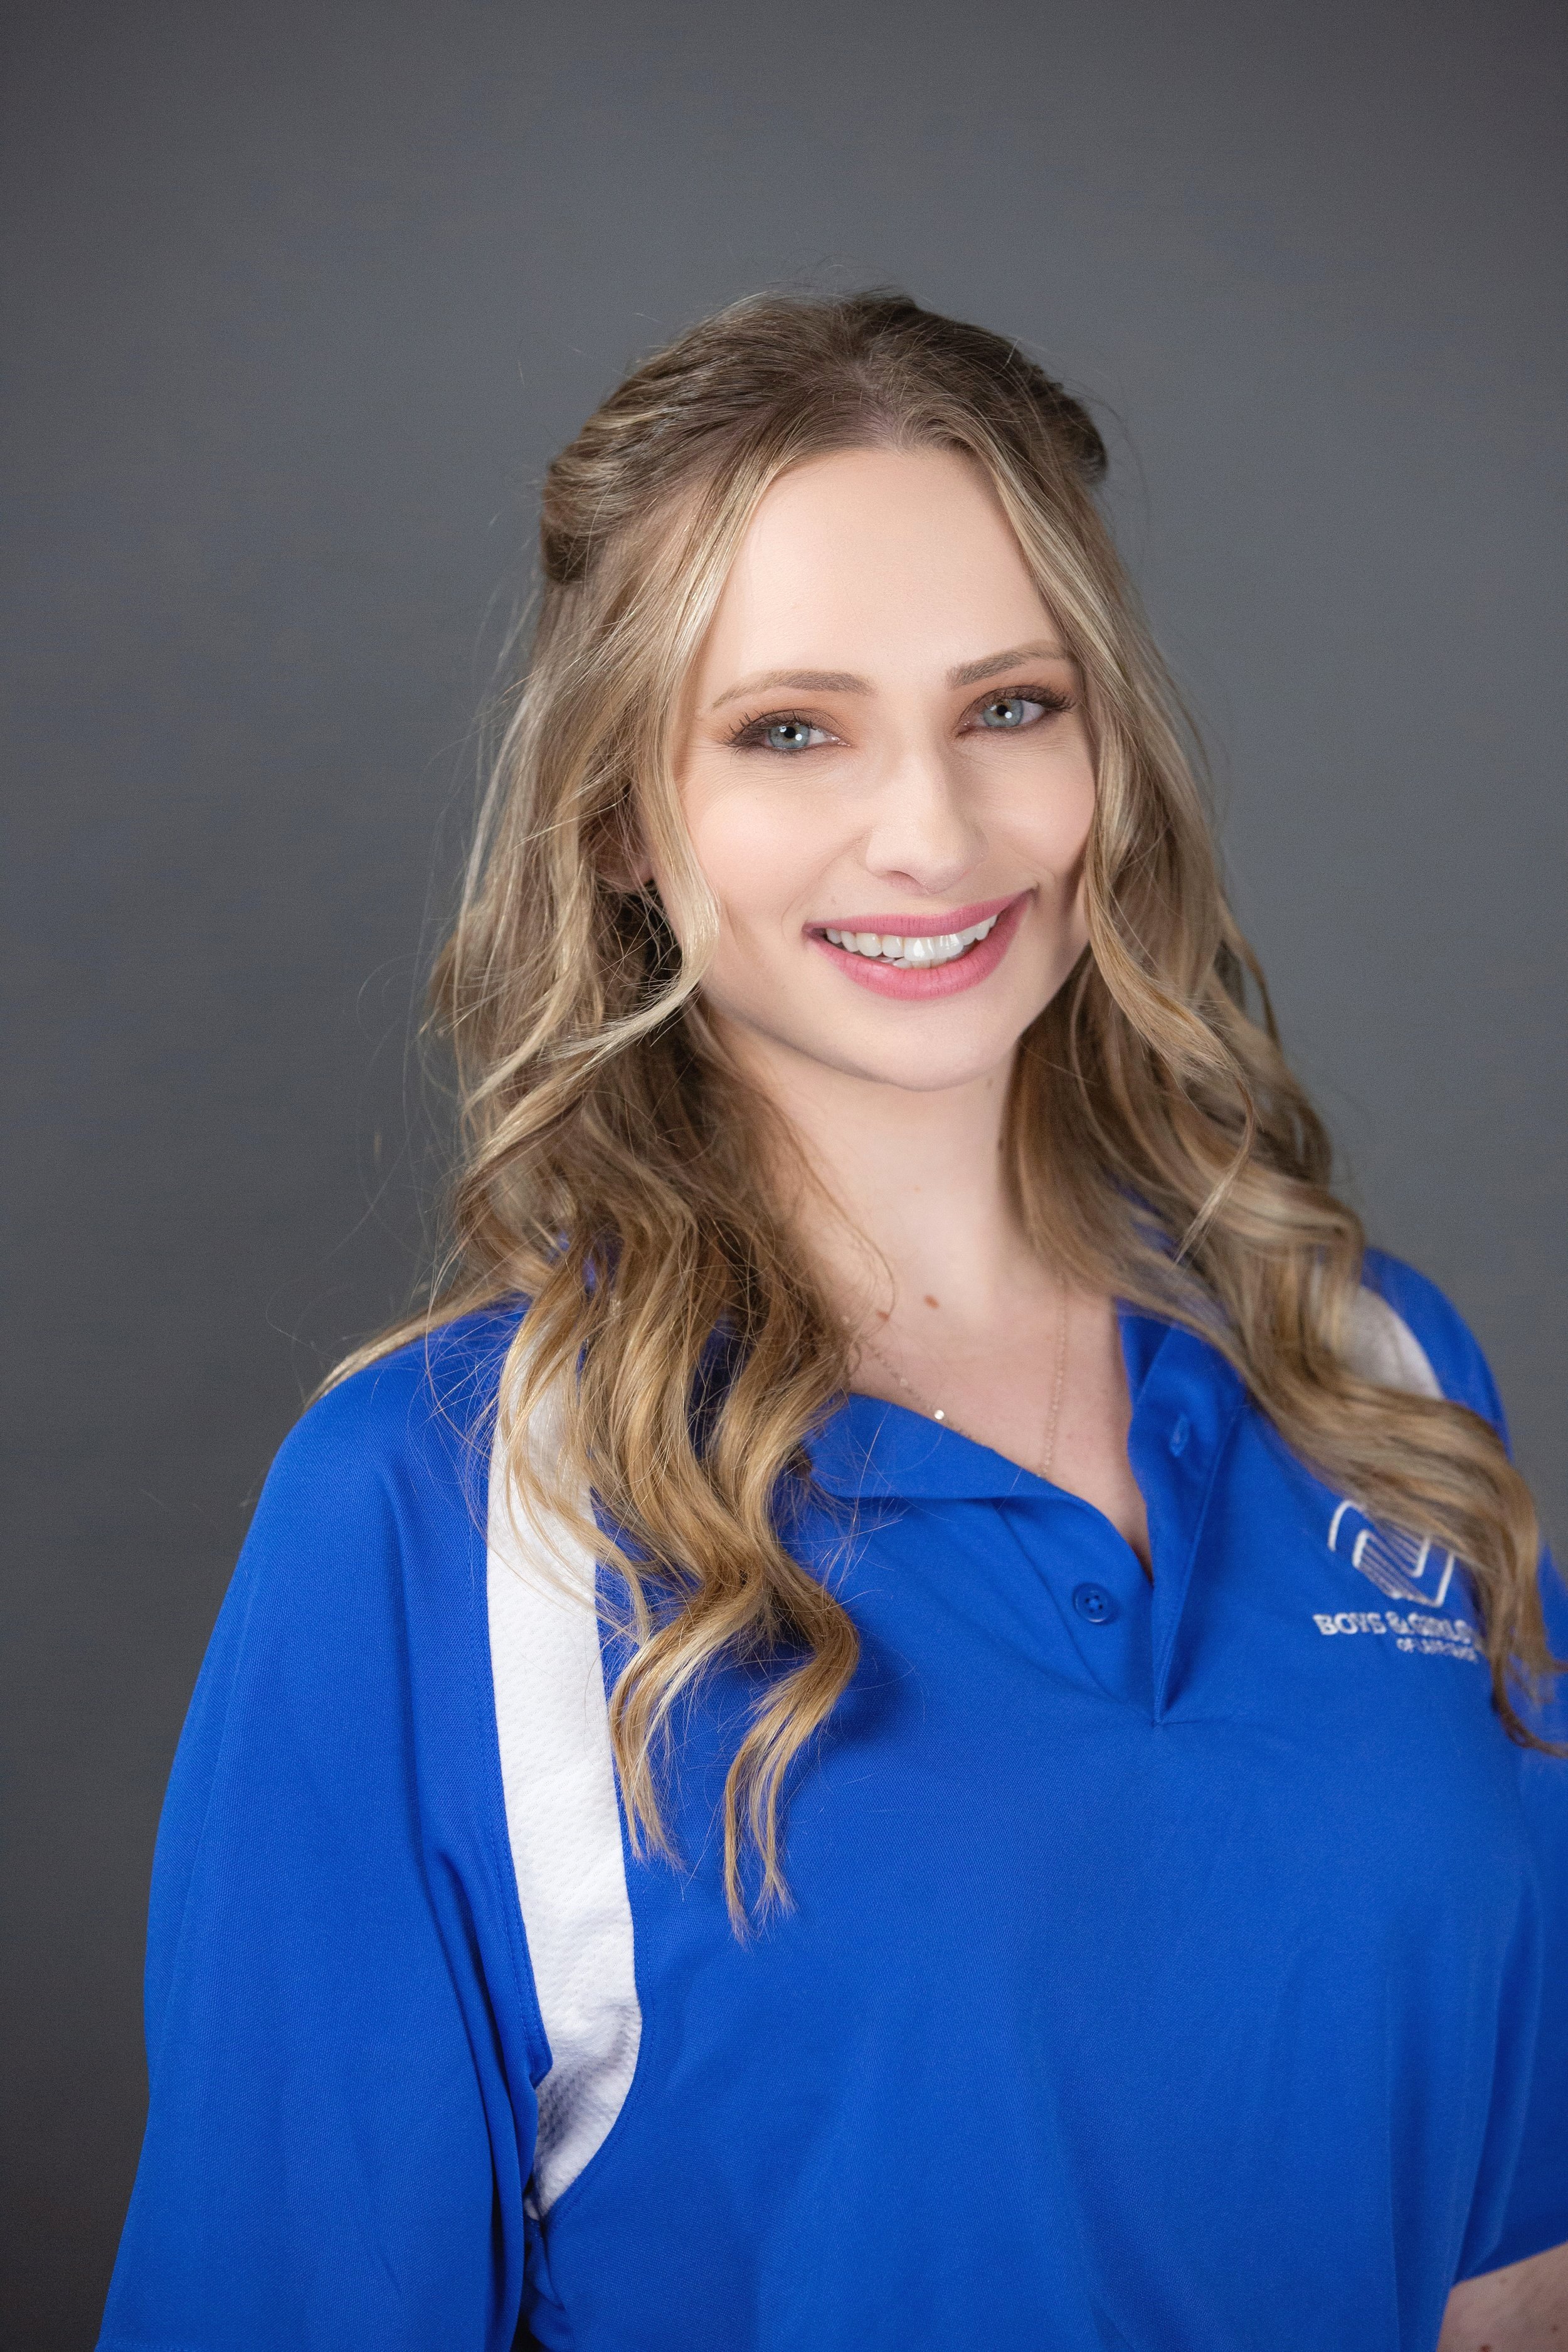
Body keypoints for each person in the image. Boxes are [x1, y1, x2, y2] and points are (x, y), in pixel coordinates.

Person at [98, 292, 1567, 2352]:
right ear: (622, 817)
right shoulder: (439, 1516)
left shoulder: (1372, 1374)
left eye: (1010, 707)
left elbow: (1507, 2273)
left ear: (1106, 752)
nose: (931, 833)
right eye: (790, 729)